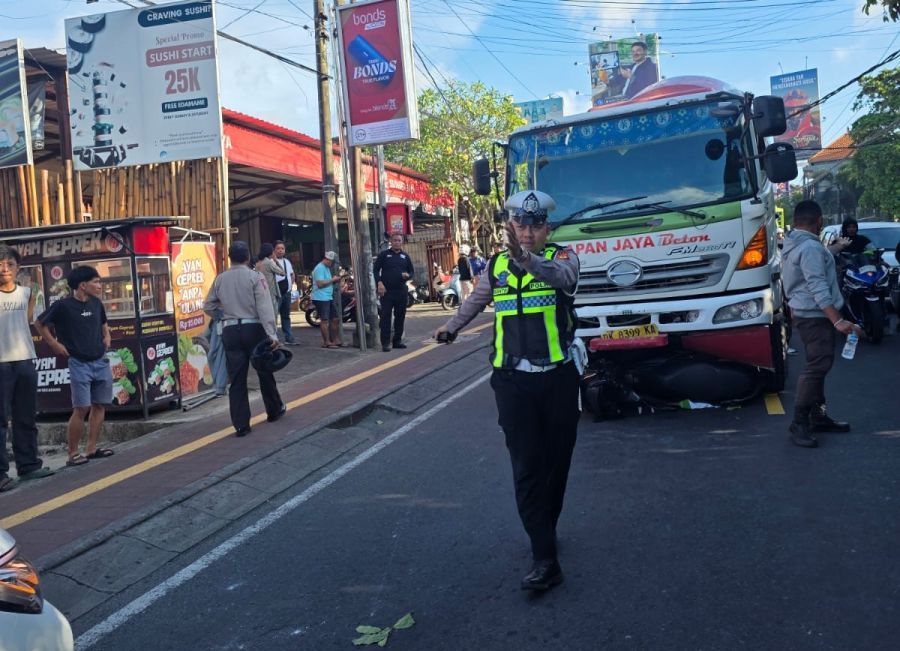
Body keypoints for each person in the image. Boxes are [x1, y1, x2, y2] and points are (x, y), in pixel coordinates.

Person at [434, 190, 584, 592]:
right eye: (521, 224)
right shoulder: (496, 264)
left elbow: (563, 280)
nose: (528, 232)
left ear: (547, 228)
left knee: (557, 463)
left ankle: (545, 530)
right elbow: (477, 301)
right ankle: (545, 558)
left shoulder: (564, 258)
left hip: (557, 378)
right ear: (511, 226)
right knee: (526, 465)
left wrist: (526, 259)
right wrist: (451, 327)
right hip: (512, 382)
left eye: (535, 225)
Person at [781, 200, 862, 449]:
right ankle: (799, 423)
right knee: (817, 367)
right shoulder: (810, 248)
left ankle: (818, 416)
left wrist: (834, 249)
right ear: (819, 221)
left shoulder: (796, 243)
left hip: (806, 314)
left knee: (818, 366)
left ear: (795, 221)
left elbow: (815, 265)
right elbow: (817, 285)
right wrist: (837, 320)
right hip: (815, 316)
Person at [35, 266, 115, 466]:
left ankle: (91, 449)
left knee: (99, 405)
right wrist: (53, 344)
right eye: (96, 282)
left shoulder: (96, 303)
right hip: (78, 363)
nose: (100, 285)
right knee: (82, 407)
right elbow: (39, 323)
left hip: (100, 360)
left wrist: (107, 335)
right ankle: (73, 453)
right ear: (83, 285)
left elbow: (103, 322)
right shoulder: (63, 306)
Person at [203, 241, 284, 437]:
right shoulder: (255, 277)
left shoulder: (220, 279)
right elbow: (264, 307)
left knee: (237, 379)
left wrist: (222, 315)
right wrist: (272, 333)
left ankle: (241, 425)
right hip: (254, 329)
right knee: (264, 371)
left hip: (230, 331)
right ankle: (274, 411)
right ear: (248, 257)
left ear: (230, 257)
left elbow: (208, 306)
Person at [0, 245, 53, 491]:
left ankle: (29, 465)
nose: (4, 269)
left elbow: (28, 320)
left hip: (24, 359)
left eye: (10, 264)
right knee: (1, 419)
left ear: (18, 267)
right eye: (0, 264)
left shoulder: (27, 293)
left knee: (26, 415)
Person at [374, 232, 414, 352]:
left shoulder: (405, 256)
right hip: (386, 292)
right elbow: (375, 270)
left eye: (399, 240)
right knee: (385, 317)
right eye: (395, 240)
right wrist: (379, 283)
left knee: (400, 316)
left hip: (401, 291)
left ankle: (397, 341)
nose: (397, 242)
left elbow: (411, 272)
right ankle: (385, 343)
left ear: (402, 242)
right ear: (391, 242)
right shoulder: (384, 255)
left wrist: (408, 275)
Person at [311, 251, 342, 349]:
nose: (332, 264)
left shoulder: (326, 268)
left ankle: (335, 339)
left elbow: (326, 282)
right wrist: (333, 280)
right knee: (324, 320)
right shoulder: (320, 268)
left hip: (328, 297)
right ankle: (326, 342)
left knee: (335, 319)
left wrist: (334, 280)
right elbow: (320, 284)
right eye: (332, 262)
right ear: (328, 260)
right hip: (321, 297)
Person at [273, 241, 297, 345]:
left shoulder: (287, 262)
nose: (280, 250)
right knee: (274, 316)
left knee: (286, 315)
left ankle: (289, 338)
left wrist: (290, 286)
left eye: (282, 248)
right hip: (276, 293)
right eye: (278, 248)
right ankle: (274, 339)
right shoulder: (271, 262)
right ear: (274, 250)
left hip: (287, 292)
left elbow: (292, 274)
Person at [255, 243, 285, 317]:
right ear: (270, 252)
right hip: (271, 292)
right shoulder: (269, 262)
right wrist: (276, 261)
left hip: (261, 291)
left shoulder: (258, 263)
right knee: (273, 315)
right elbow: (283, 273)